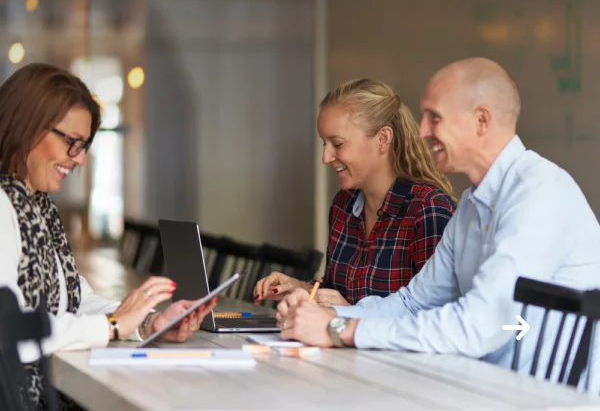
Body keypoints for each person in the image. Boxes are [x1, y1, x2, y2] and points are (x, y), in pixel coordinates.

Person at [276, 58, 600, 387]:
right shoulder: (474, 205)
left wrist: (339, 330)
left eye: (435, 117)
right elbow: (413, 301)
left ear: (481, 121)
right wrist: (327, 317)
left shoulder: (540, 192)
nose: (421, 131)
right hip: (484, 389)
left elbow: (479, 325)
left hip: (544, 399)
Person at [0, 63, 217, 410]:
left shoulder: (34, 206)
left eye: (84, 146)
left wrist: (146, 323)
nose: (81, 159)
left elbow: (74, 301)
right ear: (26, 127)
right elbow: (13, 331)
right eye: (72, 142)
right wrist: (112, 325)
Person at [254, 78, 455, 308]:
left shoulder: (428, 211)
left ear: (383, 139)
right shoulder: (344, 204)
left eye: (337, 144)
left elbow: (440, 319)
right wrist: (301, 288)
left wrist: (352, 316)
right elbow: (336, 292)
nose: (326, 158)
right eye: (324, 144)